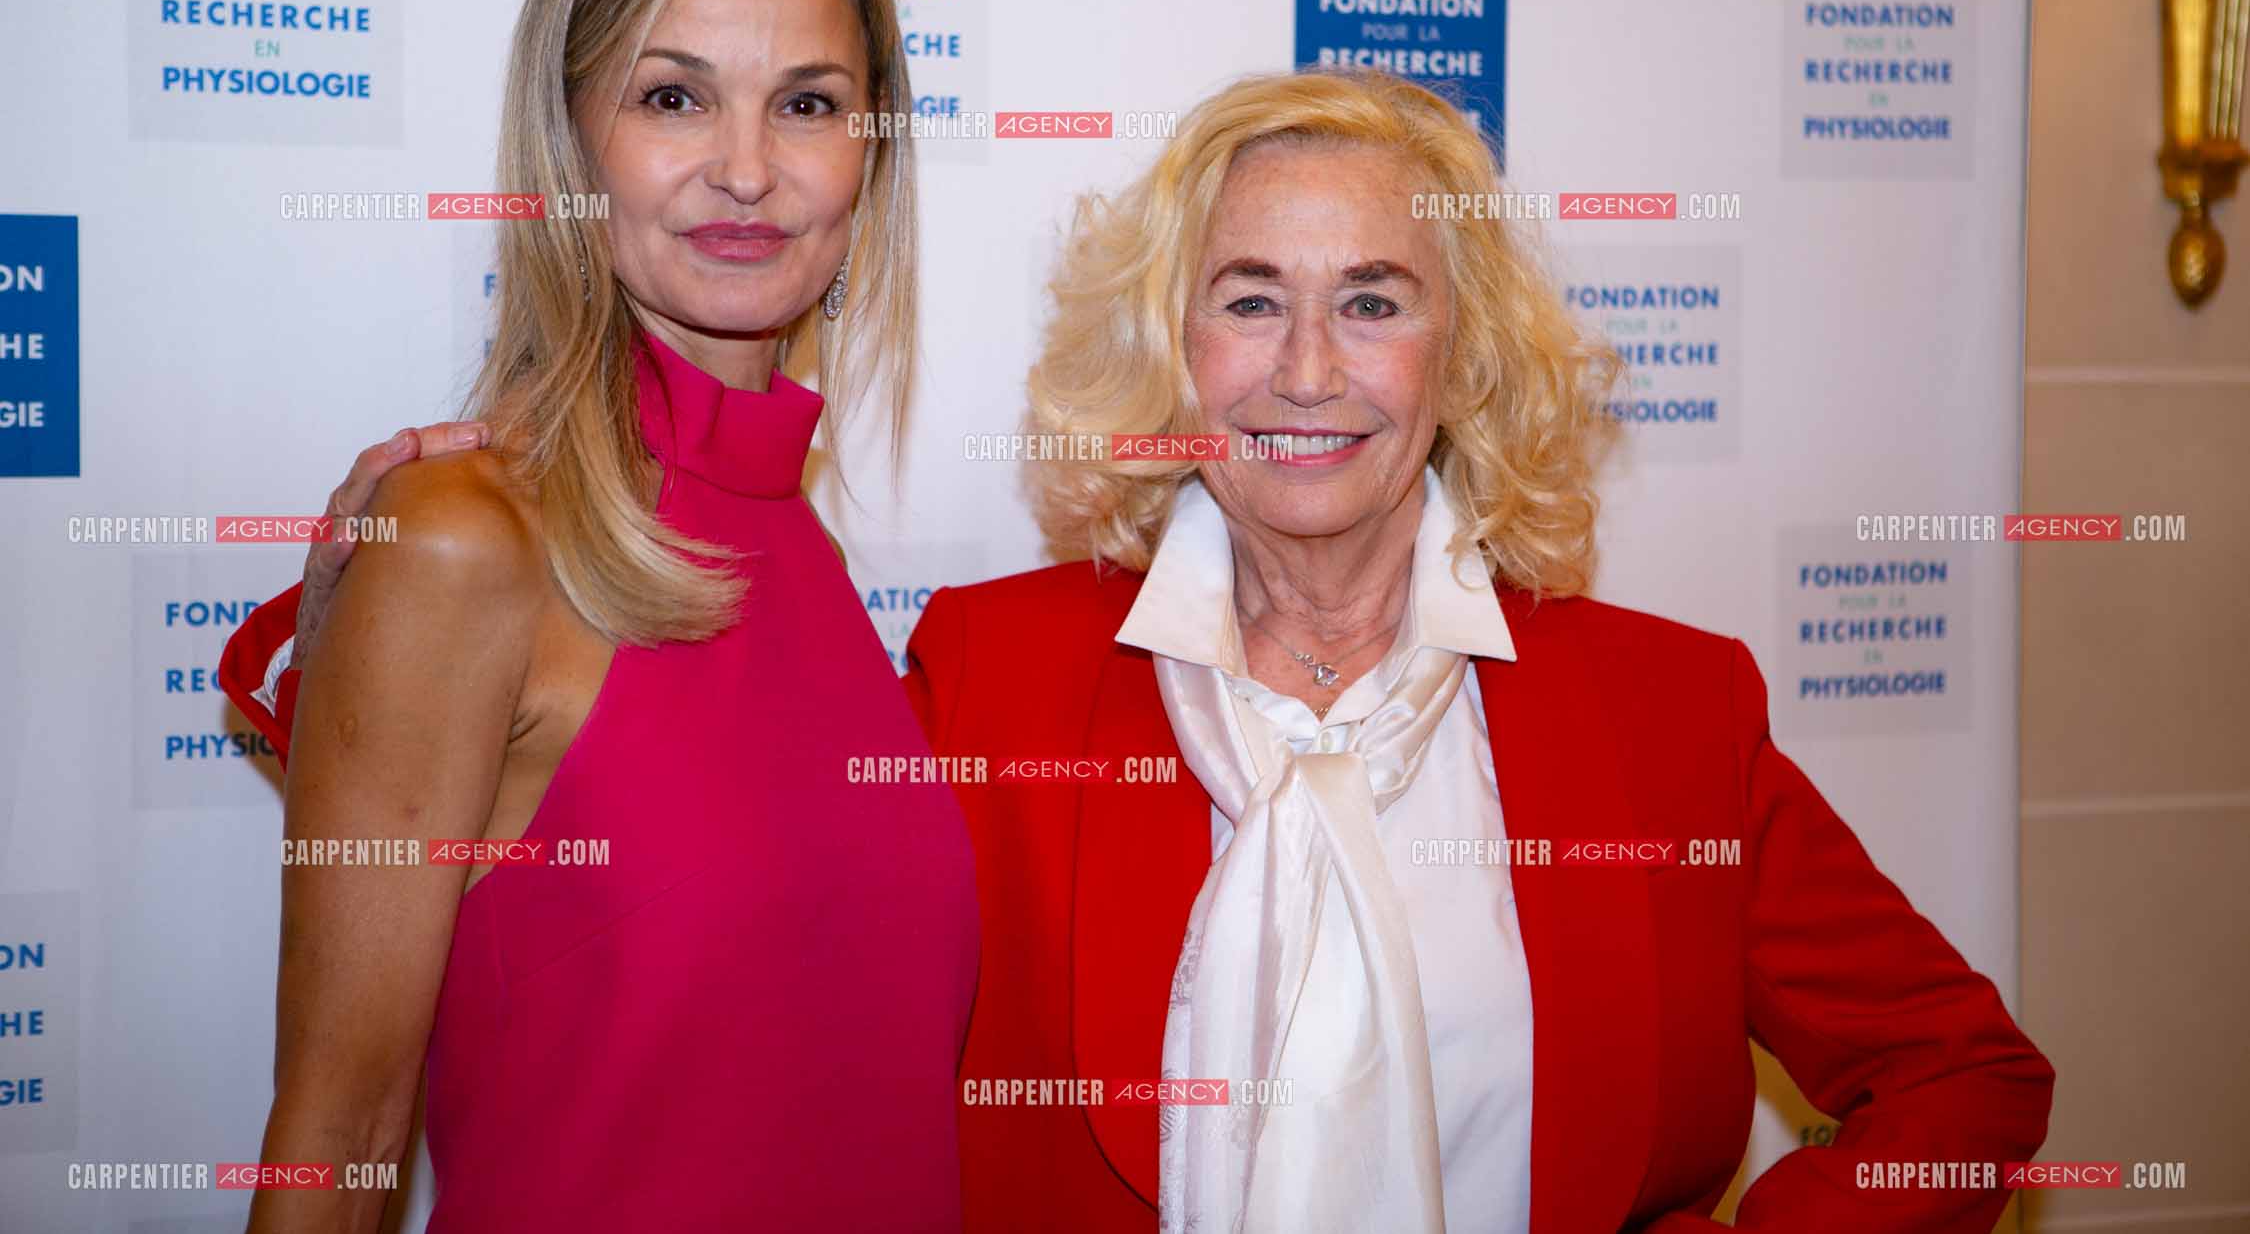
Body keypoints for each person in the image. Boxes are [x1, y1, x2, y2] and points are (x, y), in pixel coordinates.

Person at [225, 70, 2053, 1233]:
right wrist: (404, 579)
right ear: (1171, 354)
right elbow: (693, 840)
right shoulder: (990, 678)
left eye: (1374, 301)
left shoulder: (1662, 711)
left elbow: (1964, 1077)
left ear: (1464, 355)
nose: (1309, 370)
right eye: (1249, 300)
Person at [231, 0, 976, 1233]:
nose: (746, 170)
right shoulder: (462, 538)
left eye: (808, 104)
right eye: (672, 96)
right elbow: (336, 1140)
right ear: (569, 140)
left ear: (870, 153)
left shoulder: (803, 549)